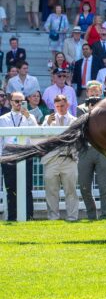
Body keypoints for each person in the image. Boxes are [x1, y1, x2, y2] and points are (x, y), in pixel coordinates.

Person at [76, 80, 106, 220]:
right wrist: (90, 111)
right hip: (85, 150)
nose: (95, 95)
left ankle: (105, 215)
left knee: (104, 186)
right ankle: (91, 214)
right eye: (93, 93)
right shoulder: (80, 108)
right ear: (87, 93)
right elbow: (81, 126)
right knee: (84, 186)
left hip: (102, 149)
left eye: (98, 93)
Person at [0, 91, 38, 220]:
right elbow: (1, 140)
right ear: (10, 102)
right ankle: (12, 216)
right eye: (16, 101)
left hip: (25, 154)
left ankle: (29, 216)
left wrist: (28, 117)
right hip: (8, 156)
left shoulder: (29, 117)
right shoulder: (3, 119)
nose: (19, 104)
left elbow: (36, 134)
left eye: (22, 101)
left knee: (27, 188)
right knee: (11, 188)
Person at [41, 94, 79, 221]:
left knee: (71, 190)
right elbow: (41, 137)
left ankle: (72, 217)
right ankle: (53, 217)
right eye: (57, 106)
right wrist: (47, 124)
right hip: (51, 159)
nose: (60, 108)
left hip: (68, 158)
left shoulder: (74, 120)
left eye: (62, 105)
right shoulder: (48, 119)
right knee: (51, 191)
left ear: (67, 105)